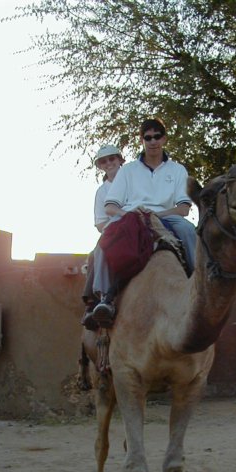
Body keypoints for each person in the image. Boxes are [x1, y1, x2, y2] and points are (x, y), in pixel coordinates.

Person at [90, 117, 196, 325]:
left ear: (164, 139)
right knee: (105, 240)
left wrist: (157, 216)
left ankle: (196, 286)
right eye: (148, 137)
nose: (153, 141)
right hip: (132, 216)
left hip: (166, 216)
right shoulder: (128, 170)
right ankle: (104, 298)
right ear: (142, 140)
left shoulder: (177, 170)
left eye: (157, 136)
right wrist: (131, 215)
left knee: (189, 231)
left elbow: (184, 208)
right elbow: (110, 206)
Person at [81, 144, 124, 331]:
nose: (109, 163)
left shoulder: (135, 182)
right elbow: (100, 223)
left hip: (142, 225)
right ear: (100, 166)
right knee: (97, 253)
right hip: (115, 231)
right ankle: (100, 300)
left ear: (120, 160)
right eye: (104, 161)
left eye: (112, 159)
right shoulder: (102, 192)